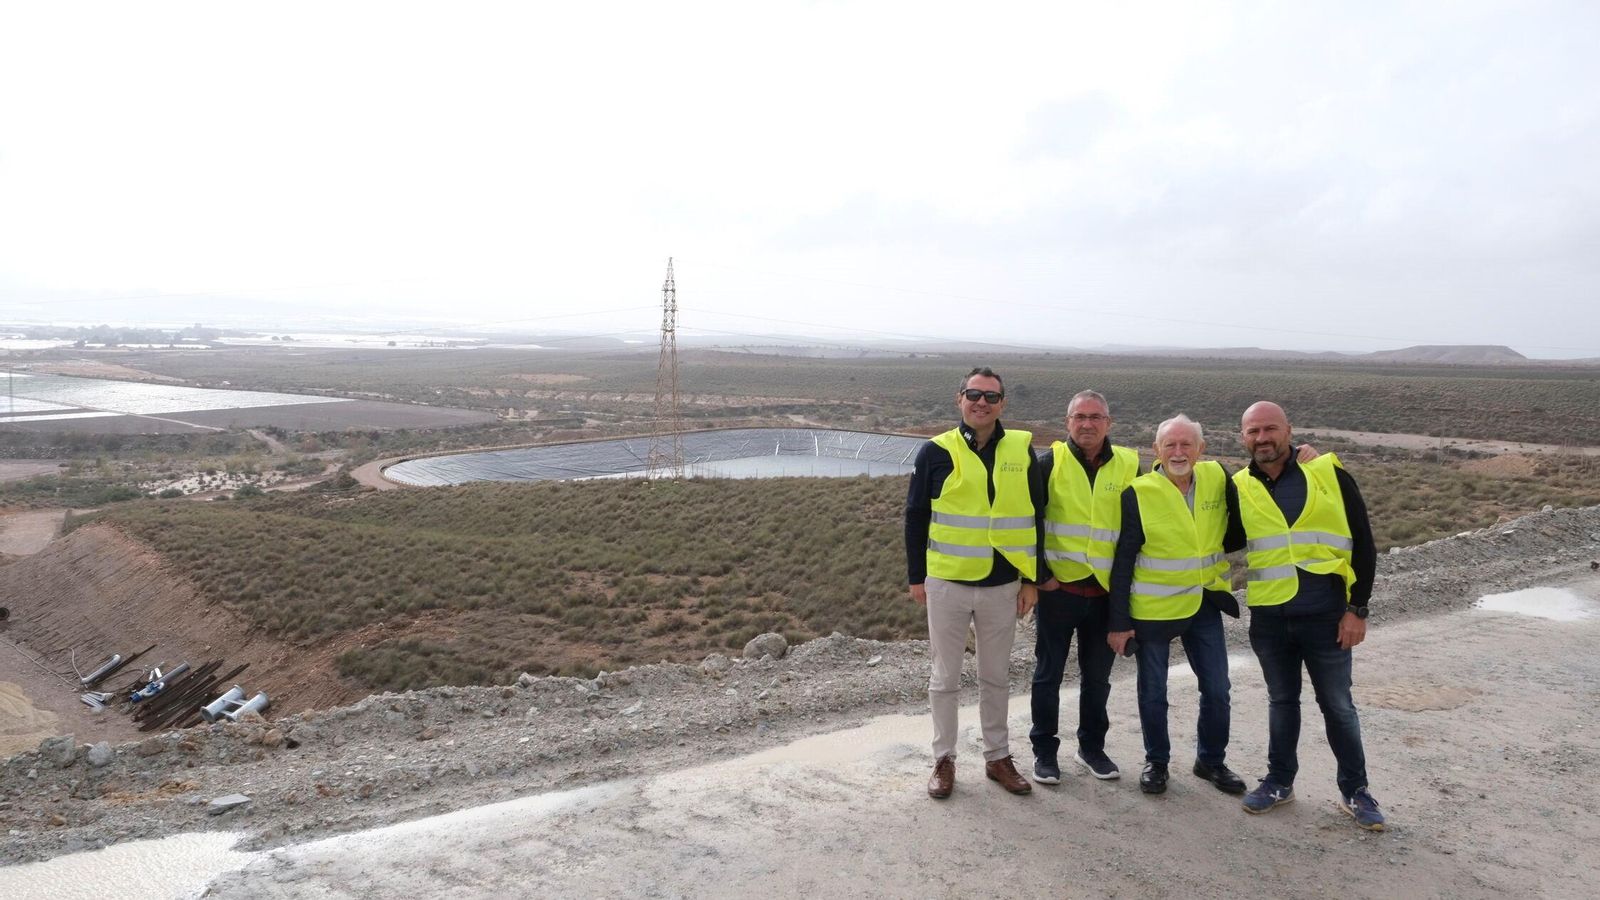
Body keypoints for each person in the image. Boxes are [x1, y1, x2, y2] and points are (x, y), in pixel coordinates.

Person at [1234, 401, 1383, 830]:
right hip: (1270, 617)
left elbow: (1363, 543)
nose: (1263, 438)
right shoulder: (1239, 484)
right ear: (1243, 437)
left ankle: (1355, 791)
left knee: (1338, 706)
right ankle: (1279, 782)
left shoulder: (1326, 473)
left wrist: (1358, 609)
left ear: (1288, 430)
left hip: (1326, 615)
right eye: (1253, 432)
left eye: (1270, 429)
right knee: (1282, 702)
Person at [905, 366, 1041, 799]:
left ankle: (997, 757)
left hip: (1003, 585)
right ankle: (944, 760)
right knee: (945, 677)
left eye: (991, 396)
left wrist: (1031, 580)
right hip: (946, 582)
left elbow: (1037, 516)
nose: (981, 402)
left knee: (995, 676)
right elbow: (915, 517)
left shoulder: (1021, 450)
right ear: (959, 398)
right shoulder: (935, 451)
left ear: (1003, 404)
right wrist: (916, 577)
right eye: (973, 394)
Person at [1106, 415, 1247, 797]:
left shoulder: (1219, 477)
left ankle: (1211, 761)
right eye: (1170, 445)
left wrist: (1303, 457)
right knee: (1153, 692)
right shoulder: (1139, 492)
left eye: (1187, 444)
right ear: (1156, 451)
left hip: (1204, 603)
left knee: (1217, 689)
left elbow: (1251, 504)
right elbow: (1123, 562)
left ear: (1201, 449)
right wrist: (1119, 622)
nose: (1179, 452)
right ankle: (1157, 762)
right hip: (1155, 609)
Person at [1029, 390, 1138, 785]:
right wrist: (1040, 576)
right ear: (1067, 422)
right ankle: (1044, 751)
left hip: (1106, 595)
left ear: (1108, 423)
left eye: (1095, 417)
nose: (1087, 424)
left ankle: (1091, 748)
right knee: (1048, 675)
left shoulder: (1129, 464)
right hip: (1058, 593)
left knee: (1098, 678)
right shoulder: (1048, 463)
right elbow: (1029, 524)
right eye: (1079, 417)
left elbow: (1175, 476)